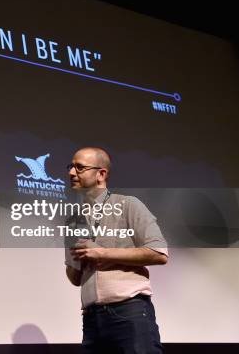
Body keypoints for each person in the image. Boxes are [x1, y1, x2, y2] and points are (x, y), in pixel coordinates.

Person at [64, 147, 167, 354]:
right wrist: (77, 261)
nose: (71, 173)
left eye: (79, 167)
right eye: (71, 167)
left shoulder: (128, 204)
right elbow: (75, 278)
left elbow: (159, 253)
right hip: (91, 319)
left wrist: (101, 253)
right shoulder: (74, 219)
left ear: (101, 174)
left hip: (129, 312)